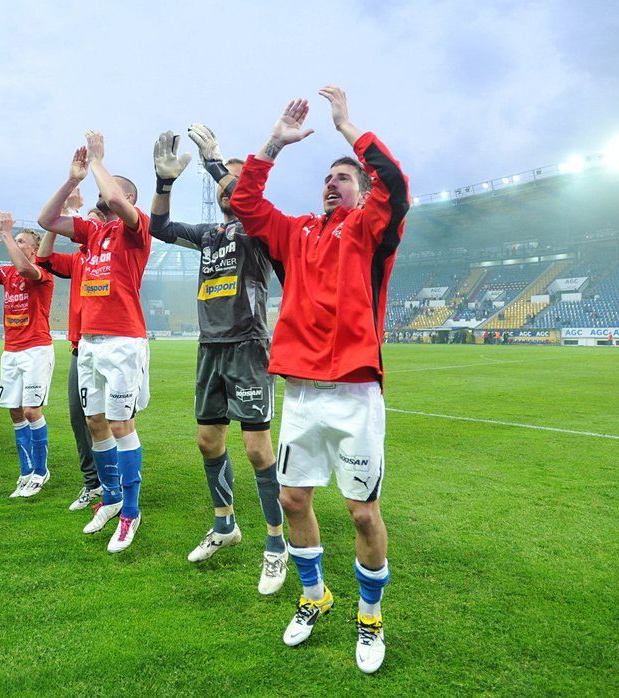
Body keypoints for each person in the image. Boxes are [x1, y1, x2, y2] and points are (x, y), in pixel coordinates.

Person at [230, 87, 409, 674]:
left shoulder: (370, 231)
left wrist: (348, 128)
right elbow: (247, 202)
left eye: (344, 178)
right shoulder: (298, 232)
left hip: (356, 394)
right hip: (303, 393)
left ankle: (370, 615)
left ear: (361, 191)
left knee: (362, 513)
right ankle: (314, 596)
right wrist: (274, 143)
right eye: (328, 178)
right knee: (291, 498)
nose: (333, 183)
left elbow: (397, 187)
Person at [148, 126, 287, 594]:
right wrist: (164, 184)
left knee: (256, 450)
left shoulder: (262, 229)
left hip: (248, 346)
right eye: (223, 176)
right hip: (210, 347)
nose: (227, 184)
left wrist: (218, 165)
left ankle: (276, 543)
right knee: (209, 442)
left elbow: (244, 199)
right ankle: (225, 526)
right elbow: (160, 228)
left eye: (235, 178)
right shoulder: (210, 234)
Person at [37, 132, 151, 553]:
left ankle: (131, 512)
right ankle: (111, 496)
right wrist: (71, 180)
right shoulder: (92, 235)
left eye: (111, 191)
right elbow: (47, 220)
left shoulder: (136, 230)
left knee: (122, 425)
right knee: (95, 422)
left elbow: (119, 204)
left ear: (125, 196)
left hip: (123, 341)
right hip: (89, 342)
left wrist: (101, 161)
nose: (103, 199)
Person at [0, 212, 56, 498]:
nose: (15, 243)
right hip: (12, 350)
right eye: (15, 239)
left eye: (21, 241)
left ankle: (41, 470)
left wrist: (5, 234)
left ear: (33, 248)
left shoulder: (41, 271)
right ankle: (26, 470)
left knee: (31, 410)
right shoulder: (5, 273)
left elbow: (25, 269)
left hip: (36, 348)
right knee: (15, 412)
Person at [36, 188, 102, 512]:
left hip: (109, 344)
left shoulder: (112, 254)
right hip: (80, 348)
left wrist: (76, 214)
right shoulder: (77, 260)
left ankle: (116, 485)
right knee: (79, 420)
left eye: (88, 223)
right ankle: (92, 483)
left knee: (107, 421)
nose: (79, 227)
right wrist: (59, 217)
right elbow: (43, 258)